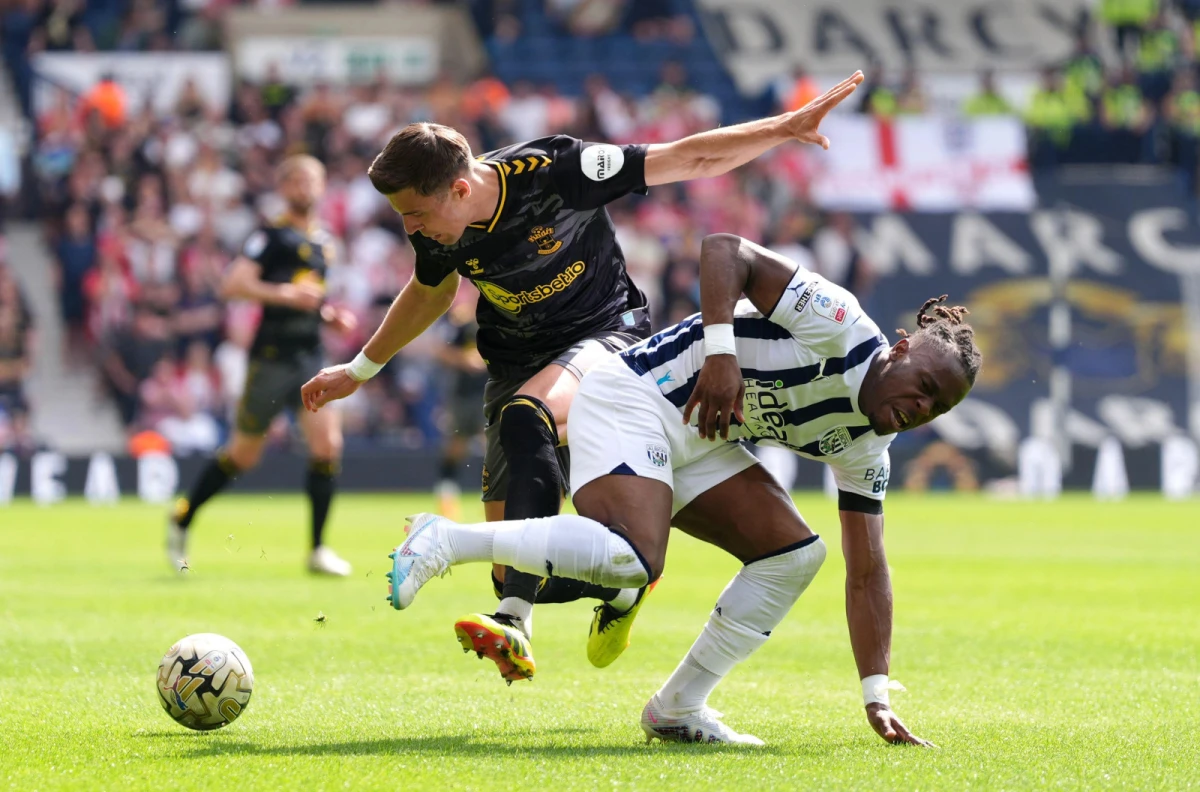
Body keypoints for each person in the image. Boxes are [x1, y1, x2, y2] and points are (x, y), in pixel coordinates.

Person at [301, 71, 866, 684]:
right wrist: (361, 368)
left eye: (414, 214)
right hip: (517, 360)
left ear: (460, 188)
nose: (410, 229)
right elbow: (430, 294)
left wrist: (782, 128)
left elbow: (689, 157)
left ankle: (512, 620)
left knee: (528, 416)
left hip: (607, 333)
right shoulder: (439, 224)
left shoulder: (556, 172)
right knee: (514, 554)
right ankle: (623, 586)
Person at [385, 232, 980, 745]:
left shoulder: (867, 446)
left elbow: (867, 569)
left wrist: (876, 694)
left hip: (699, 439)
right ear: (900, 350)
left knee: (797, 557)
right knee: (635, 557)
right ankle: (444, 540)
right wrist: (721, 356)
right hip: (635, 394)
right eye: (924, 383)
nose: (923, 406)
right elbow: (724, 251)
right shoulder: (841, 323)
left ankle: (677, 709)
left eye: (939, 406)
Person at [166, 155, 358, 576]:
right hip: (271, 356)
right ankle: (182, 517)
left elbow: (311, 296)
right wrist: (286, 295)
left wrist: (328, 315)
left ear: (323, 186)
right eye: (296, 180)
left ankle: (318, 549)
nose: (304, 187)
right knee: (243, 454)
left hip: (309, 354)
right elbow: (234, 284)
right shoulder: (269, 235)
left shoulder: (325, 241)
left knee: (327, 446)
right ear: (284, 187)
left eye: (311, 180)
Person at [434, 288, 489, 520]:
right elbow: (441, 351)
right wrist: (463, 359)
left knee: (493, 448)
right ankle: (447, 495)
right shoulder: (462, 320)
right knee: (456, 447)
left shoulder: (503, 320)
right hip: (463, 394)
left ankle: (492, 498)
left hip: (491, 393)